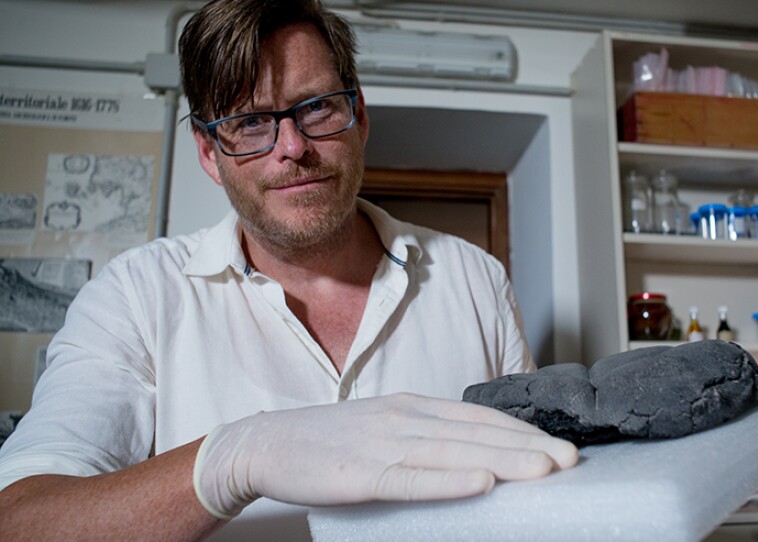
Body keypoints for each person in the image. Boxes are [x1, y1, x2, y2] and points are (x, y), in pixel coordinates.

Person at [0, 0, 578, 540]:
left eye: (317, 106)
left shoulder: (475, 280)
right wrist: (236, 458)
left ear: (360, 118)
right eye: (251, 122)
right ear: (209, 152)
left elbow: (532, 491)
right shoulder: (134, 297)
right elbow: (21, 518)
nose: (292, 146)